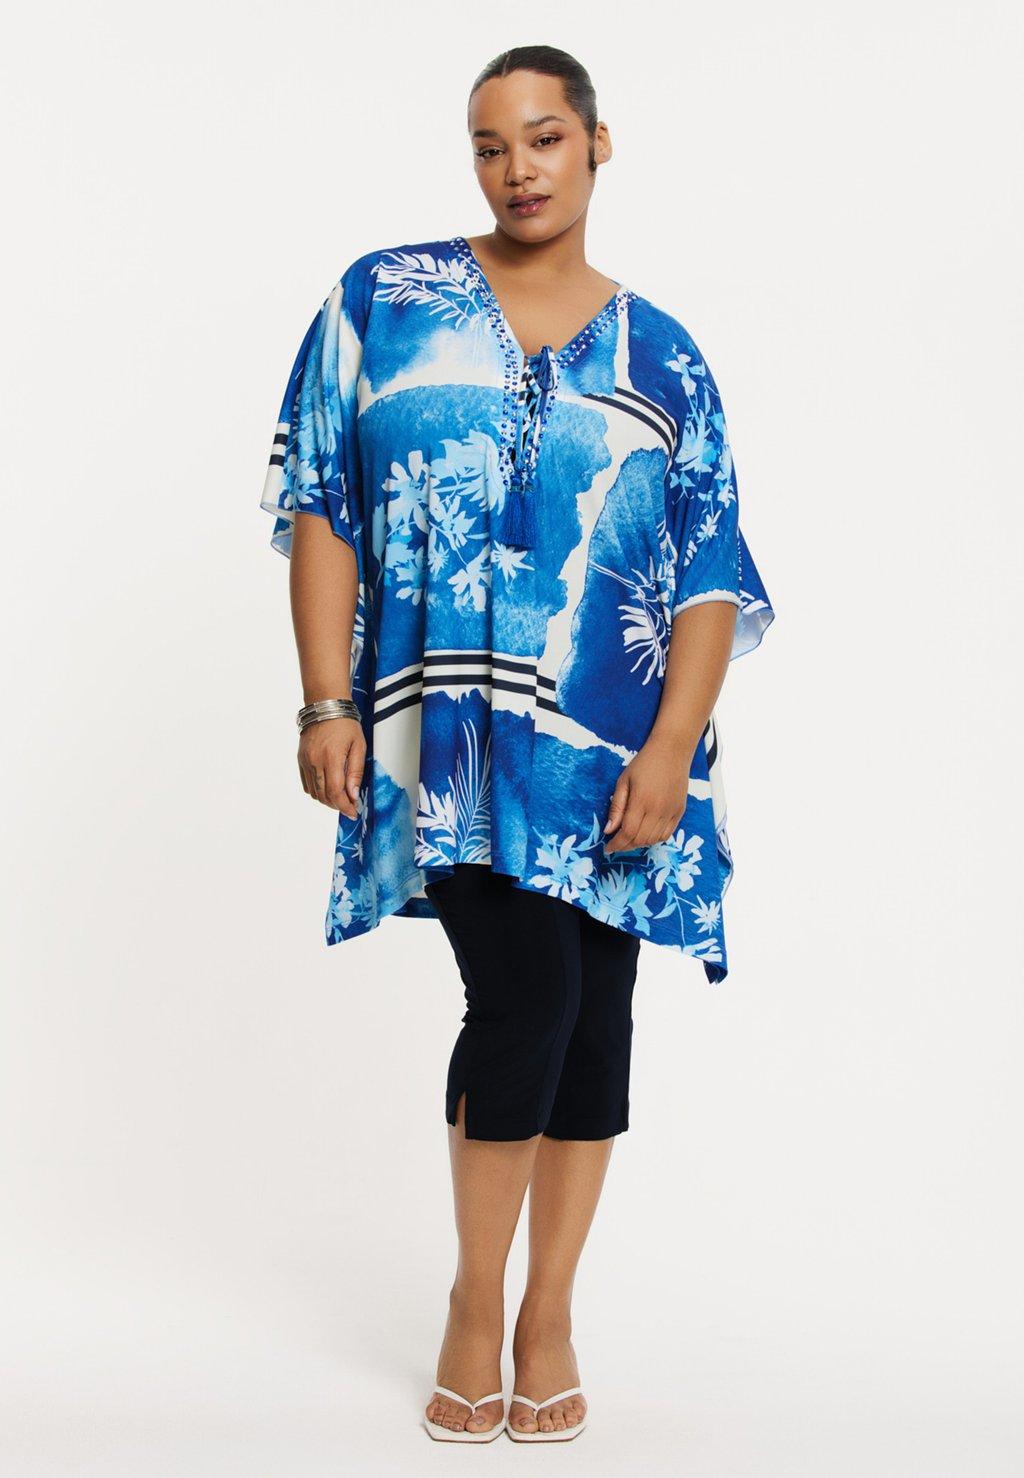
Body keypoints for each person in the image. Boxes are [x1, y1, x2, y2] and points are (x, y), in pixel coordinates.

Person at [259, 44, 775, 1444]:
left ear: (600, 143)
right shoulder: (383, 301)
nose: (518, 170)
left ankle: (550, 1312)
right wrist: (324, 699)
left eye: (545, 138)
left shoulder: (664, 354)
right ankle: (473, 1301)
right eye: (490, 146)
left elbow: (708, 571)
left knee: (597, 1025)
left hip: (612, 749)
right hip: (451, 743)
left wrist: (669, 749)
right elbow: (323, 500)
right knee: (528, 996)